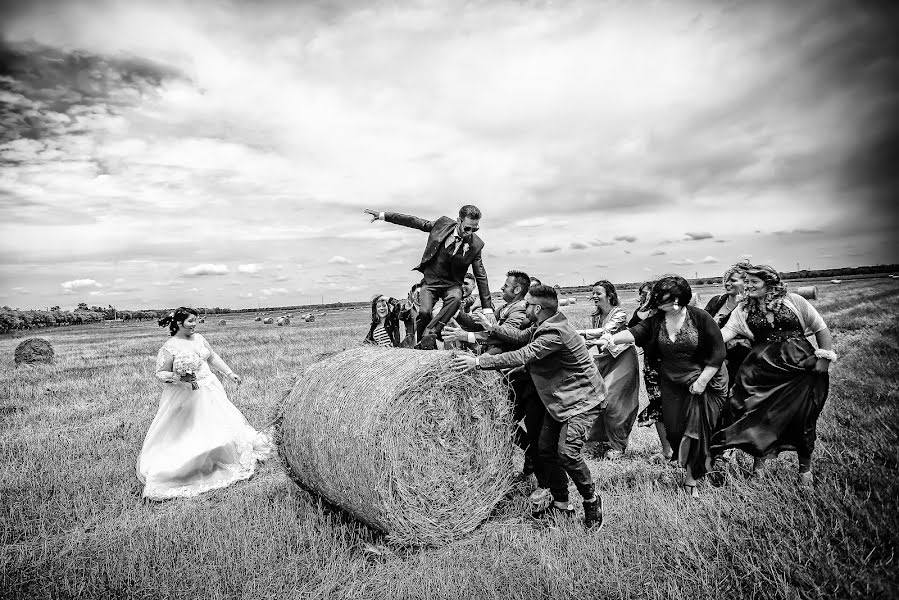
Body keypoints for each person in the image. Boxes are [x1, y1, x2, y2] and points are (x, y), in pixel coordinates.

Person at [451, 285, 606, 529]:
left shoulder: (554, 332)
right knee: (545, 449)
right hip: (559, 401)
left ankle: (591, 500)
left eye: (527, 305)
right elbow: (522, 339)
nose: (523, 308)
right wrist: (493, 329)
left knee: (567, 454)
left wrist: (479, 361)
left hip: (581, 400)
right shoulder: (543, 325)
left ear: (537, 308)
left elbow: (524, 353)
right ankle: (561, 504)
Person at [598, 276, 727, 497]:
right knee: (675, 431)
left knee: (694, 432)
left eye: (663, 298)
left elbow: (718, 353)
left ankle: (691, 482)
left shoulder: (700, 318)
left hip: (704, 381)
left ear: (678, 298)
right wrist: (611, 339)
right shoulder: (657, 320)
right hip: (672, 382)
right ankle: (692, 466)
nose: (657, 302)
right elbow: (636, 332)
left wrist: (702, 381)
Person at [711, 264, 834, 485]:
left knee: (803, 418)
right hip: (762, 371)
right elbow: (723, 335)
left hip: (801, 368)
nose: (747, 286)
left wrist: (824, 358)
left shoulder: (794, 301)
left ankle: (805, 470)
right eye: (746, 281)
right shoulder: (742, 310)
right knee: (758, 416)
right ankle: (758, 470)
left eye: (753, 282)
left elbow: (820, 328)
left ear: (769, 283)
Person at [138, 307, 272, 500]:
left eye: (196, 320)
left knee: (220, 423)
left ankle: (222, 453)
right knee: (192, 429)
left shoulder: (199, 338)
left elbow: (213, 357)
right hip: (187, 393)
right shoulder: (169, 346)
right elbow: (160, 373)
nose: (195, 324)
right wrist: (179, 376)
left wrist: (229, 373)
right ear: (178, 323)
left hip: (210, 388)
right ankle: (197, 463)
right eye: (191, 321)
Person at [443, 270, 542, 476]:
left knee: (505, 419)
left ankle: (533, 456)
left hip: (515, 374)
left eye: (506, 285)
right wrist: (458, 313)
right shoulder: (506, 307)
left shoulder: (519, 309)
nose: (502, 288)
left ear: (516, 289)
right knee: (502, 420)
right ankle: (526, 456)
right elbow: (483, 327)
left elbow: (502, 337)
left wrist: (467, 336)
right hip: (503, 371)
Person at [364, 205, 494, 349]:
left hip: (452, 284)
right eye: (468, 228)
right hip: (431, 281)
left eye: (475, 229)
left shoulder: (476, 245)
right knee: (424, 312)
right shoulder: (442, 224)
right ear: (459, 221)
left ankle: (429, 334)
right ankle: (422, 344)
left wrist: (488, 309)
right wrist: (384, 215)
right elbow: (414, 221)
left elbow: (481, 275)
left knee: (455, 299)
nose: (470, 232)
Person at [576, 280, 640, 460]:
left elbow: (605, 331)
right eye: (593, 293)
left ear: (609, 295)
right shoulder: (595, 316)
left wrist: (578, 333)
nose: (594, 296)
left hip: (623, 359)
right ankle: (598, 441)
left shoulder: (619, 313)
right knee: (596, 399)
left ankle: (618, 445)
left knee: (612, 400)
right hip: (604, 360)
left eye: (598, 293)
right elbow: (595, 341)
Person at [630, 281, 672, 459]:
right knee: (657, 406)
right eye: (643, 293)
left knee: (675, 406)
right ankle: (666, 450)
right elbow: (632, 330)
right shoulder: (643, 314)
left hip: (672, 365)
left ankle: (682, 449)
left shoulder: (670, 314)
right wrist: (645, 308)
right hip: (651, 365)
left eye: (650, 294)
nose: (646, 296)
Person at [704, 262, 752, 386]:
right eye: (726, 280)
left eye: (733, 280)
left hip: (743, 365)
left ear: (746, 282)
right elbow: (701, 326)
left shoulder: (752, 306)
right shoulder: (716, 301)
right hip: (715, 362)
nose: (727, 284)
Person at [398, 283, 422, 347]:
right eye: (417, 294)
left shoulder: (430, 310)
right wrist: (408, 305)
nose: (419, 297)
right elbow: (401, 317)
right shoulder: (408, 309)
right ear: (412, 295)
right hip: (410, 345)